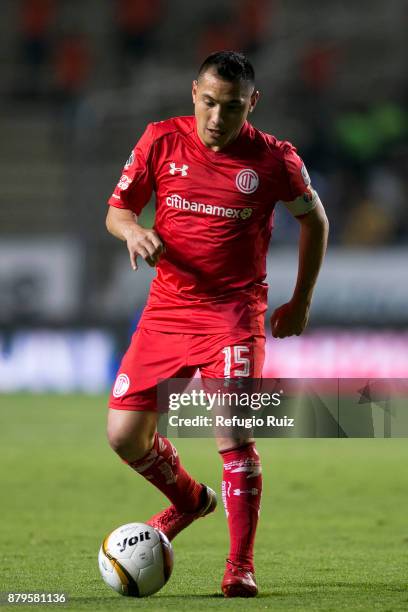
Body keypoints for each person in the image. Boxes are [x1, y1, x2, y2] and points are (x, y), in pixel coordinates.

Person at [105, 50, 329, 597]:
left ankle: (239, 568)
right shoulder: (160, 139)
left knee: (233, 434)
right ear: (194, 94)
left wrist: (300, 300)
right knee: (124, 436)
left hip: (234, 315)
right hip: (165, 312)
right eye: (208, 102)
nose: (216, 118)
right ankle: (191, 500)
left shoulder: (275, 160)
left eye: (231, 107)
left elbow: (314, 220)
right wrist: (133, 231)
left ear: (252, 104)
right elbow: (117, 211)